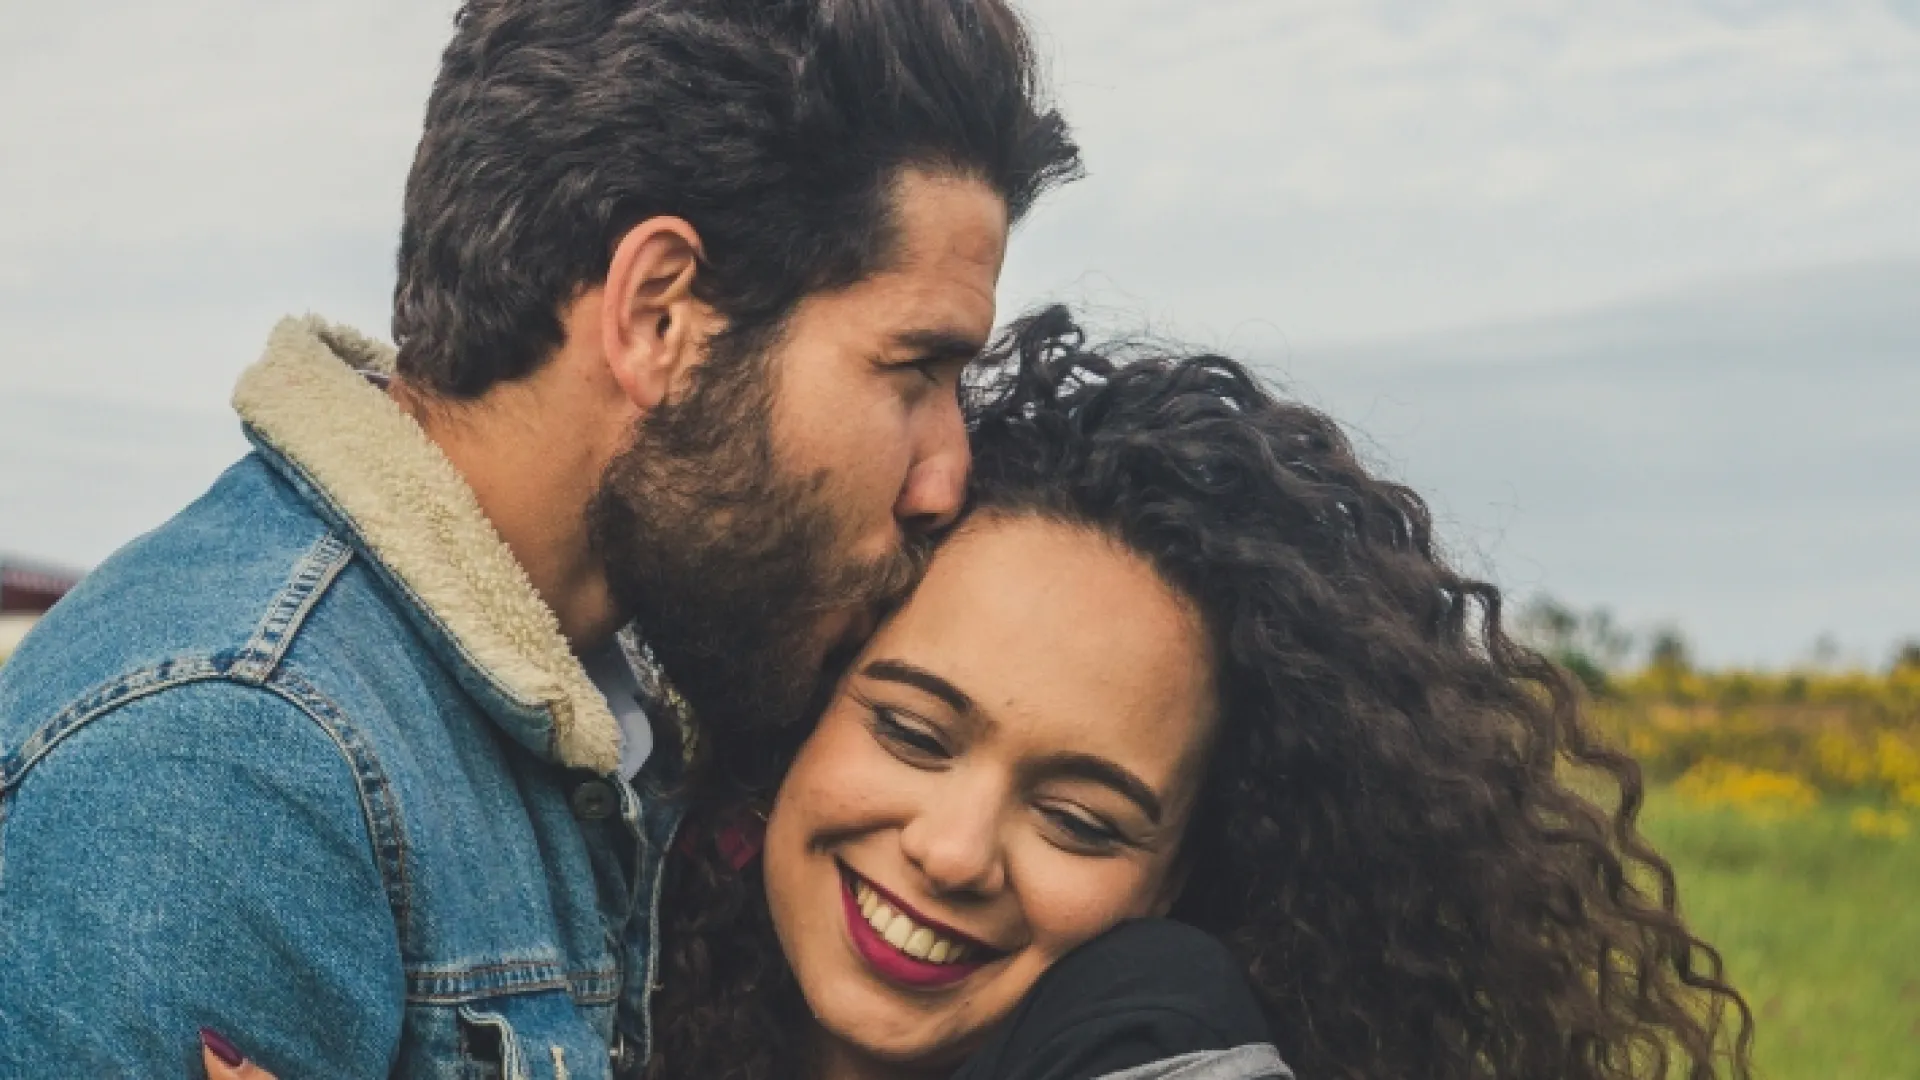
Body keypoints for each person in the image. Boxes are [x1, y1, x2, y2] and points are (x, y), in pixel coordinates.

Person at [198, 308, 1755, 1079]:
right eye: (913, 728)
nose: (952, 846)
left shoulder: (1165, 1032)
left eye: (1080, 814)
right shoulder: (596, 971)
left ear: (1184, 876)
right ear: (796, 711)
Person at [0, 1, 1079, 1075]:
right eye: (915, 371)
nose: (947, 476)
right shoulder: (233, 771)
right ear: (659, 314)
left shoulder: (604, 703)